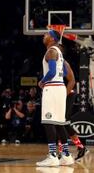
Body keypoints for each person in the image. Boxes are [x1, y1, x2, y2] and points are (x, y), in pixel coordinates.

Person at [36, 30, 74, 167]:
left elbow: (52, 72)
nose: (43, 36)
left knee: (48, 122)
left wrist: (42, 81)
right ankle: (66, 155)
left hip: (52, 88)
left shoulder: (51, 51)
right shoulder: (60, 53)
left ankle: (52, 155)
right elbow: (62, 72)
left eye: (46, 34)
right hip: (60, 88)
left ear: (52, 38)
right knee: (59, 123)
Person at [59, 49, 89, 160]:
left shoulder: (63, 63)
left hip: (68, 94)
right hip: (62, 95)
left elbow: (72, 81)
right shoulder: (55, 62)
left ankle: (64, 151)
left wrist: (63, 96)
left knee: (62, 122)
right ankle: (79, 147)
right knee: (61, 122)